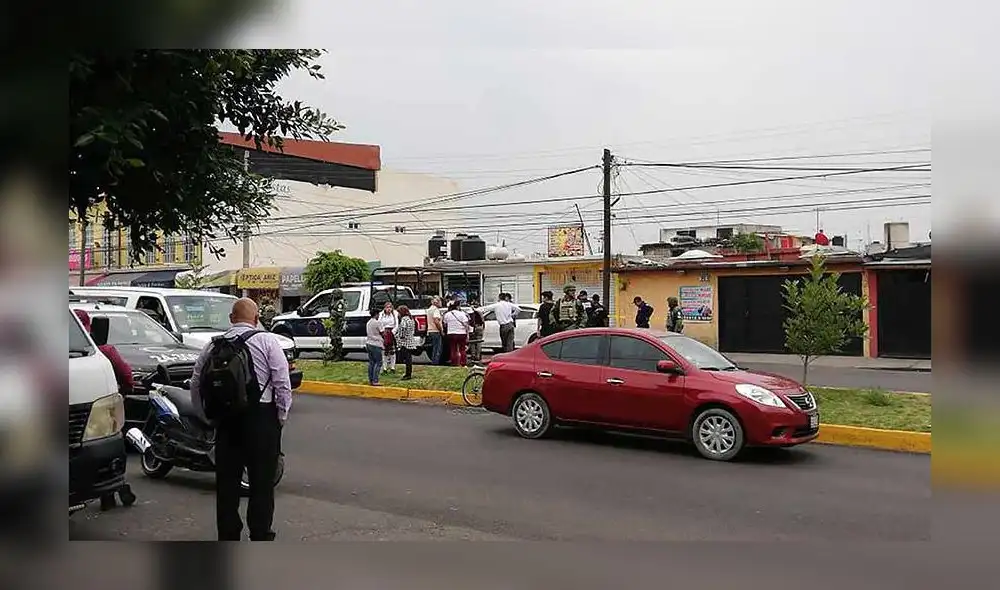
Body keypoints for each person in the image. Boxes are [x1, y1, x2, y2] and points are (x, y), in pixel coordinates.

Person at [190, 298, 291, 541]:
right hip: (261, 421)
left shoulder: (213, 345)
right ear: (256, 320)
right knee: (262, 485)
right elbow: (282, 383)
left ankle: (227, 536)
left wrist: (206, 417)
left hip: (226, 423)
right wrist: (280, 417)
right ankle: (260, 534)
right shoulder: (267, 341)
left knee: (227, 486)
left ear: (231, 319)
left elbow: (196, 383)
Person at [73, 309, 138, 511]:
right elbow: (126, 374)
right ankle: (108, 492)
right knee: (107, 447)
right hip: (101, 406)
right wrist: (126, 390)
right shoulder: (103, 351)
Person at [442, 301, 470, 367]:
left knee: (453, 349)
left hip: (451, 333)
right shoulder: (462, 314)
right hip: (461, 333)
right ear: (458, 306)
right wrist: (467, 334)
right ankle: (463, 363)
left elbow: (445, 324)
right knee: (462, 349)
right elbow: (466, 325)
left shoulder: (447, 314)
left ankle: (454, 363)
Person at [393, 305, 417, 380]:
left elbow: (403, 328)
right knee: (408, 359)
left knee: (406, 359)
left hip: (405, 342)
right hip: (410, 340)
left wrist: (400, 336)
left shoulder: (404, 320)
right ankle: (408, 373)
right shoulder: (411, 319)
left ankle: (407, 374)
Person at [325, 289, 346, 362]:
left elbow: (341, 314)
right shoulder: (334, 301)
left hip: (337, 323)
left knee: (337, 339)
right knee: (332, 338)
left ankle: (338, 355)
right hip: (333, 322)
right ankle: (333, 353)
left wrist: (333, 312)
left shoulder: (340, 303)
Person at [364, 308, 384, 385]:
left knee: (371, 362)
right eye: (378, 314)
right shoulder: (377, 322)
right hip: (377, 344)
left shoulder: (368, 322)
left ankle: (371, 380)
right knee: (378, 362)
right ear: (376, 314)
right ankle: (375, 380)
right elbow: (382, 333)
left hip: (369, 343)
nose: (379, 315)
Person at [378, 301, 399, 374]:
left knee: (392, 351)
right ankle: (384, 367)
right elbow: (379, 323)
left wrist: (393, 332)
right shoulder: (381, 314)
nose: (389, 309)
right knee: (385, 351)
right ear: (384, 308)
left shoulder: (395, 314)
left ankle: (392, 367)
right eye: (387, 307)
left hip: (392, 332)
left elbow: (396, 324)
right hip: (384, 332)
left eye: (390, 307)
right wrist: (383, 332)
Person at [426, 296, 444, 365]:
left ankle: (433, 362)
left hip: (430, 330)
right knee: (437, 349)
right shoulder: (436, 310)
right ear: (437, 302)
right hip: (436, 331)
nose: (441, 303)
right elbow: (436, 321)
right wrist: (441, 330)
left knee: (434, 348)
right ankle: (435, 363)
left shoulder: (429, 309)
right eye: (440, 301)